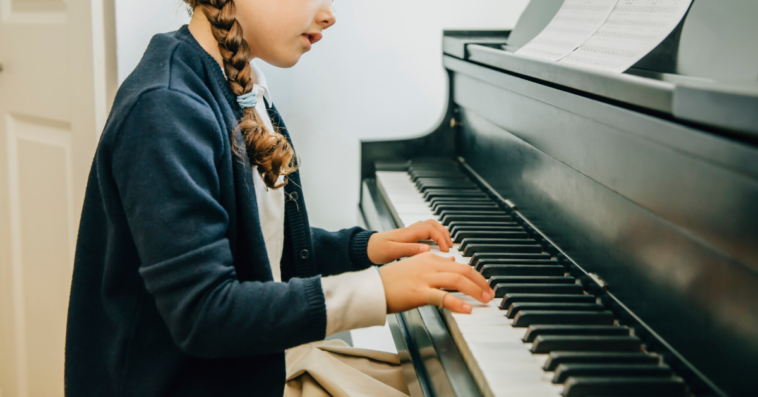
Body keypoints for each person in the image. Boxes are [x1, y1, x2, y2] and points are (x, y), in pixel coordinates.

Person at [64, 0, 494, 396]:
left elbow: (255, 245)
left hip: (242, 366)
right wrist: (375, 291)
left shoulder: (238, 83)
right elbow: (205, 313)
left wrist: (363, 248)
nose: (328, 14)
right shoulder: (165, 108)